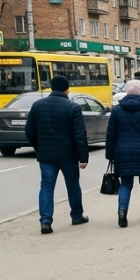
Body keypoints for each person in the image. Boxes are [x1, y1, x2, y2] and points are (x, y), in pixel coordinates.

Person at [25, 75, 88, 234]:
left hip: (46, 155)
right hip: (68, 156)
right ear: (67, 89)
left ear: (51, 88)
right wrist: (83, 157)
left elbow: (29, 131)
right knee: (73, 185)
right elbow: (79, 135)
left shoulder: (37, 106)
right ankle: (77, 216)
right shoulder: (73, 107)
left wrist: (39, 147)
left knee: (46, 187)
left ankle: (45, 221)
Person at [104, 80, 140, 227]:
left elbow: (111, 134)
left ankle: (122, 210)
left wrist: (110, 154)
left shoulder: (117, 110)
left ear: (127, 92)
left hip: (122, 151)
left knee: (126, 183)